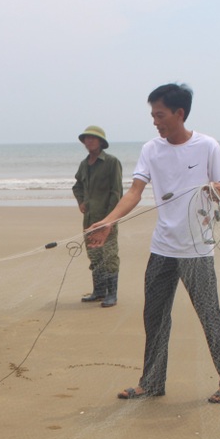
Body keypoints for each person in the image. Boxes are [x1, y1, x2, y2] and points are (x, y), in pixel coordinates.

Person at [85, 83, 220, 404]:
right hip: (162, 248)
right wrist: (109, 220)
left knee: (209, 314)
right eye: (153, 115)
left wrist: (216, 188)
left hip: (197, 250)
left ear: (179, 114)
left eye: (160, 115)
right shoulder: (151, 149)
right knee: (154, 316)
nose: (155, 122)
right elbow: (134, 192)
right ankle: (152, 382)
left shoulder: (207, 146)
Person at [73, 125, 123, 307]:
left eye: (93, 138)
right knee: (94, 255)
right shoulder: (84, 164)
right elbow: (77, 186)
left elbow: (116, 192)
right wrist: (81, 201)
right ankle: (99, 291)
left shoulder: (111, 162)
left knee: (109, 255)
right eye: (86, 138)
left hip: (107, 218)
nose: (89, 141)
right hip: (89, 220)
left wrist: (110, 219)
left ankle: (112, 294)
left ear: (101, 142)